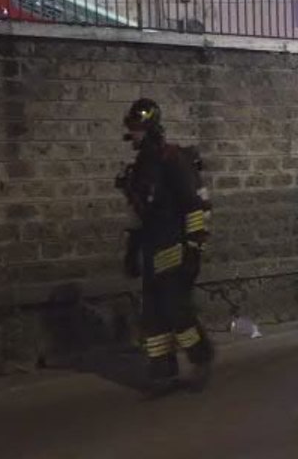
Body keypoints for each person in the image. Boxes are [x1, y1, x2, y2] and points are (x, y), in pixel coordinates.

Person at [116, 98, 214, 393]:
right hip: (153, 251)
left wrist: (194, 247)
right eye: (130, 128)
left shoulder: (171, 160)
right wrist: (132, 253)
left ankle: (201, 358)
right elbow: (139, 217)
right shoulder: (142, 168)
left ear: (149, 129)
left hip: (176, 249)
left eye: (137, 129)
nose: (132, 134)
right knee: (153, 315)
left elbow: (192, 205)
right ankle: (162, 370)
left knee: (176, 310)